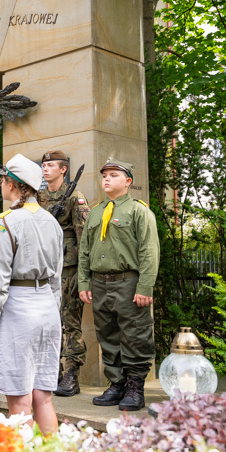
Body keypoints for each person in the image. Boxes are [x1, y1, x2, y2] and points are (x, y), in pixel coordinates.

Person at [0, 155, 63, 436]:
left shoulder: (7, 221)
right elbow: (58, 277)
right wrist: (54, 310)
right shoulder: (51, 221)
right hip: (48, 309)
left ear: (14, 185)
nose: (0, 185)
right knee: (43, 396)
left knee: (19, 400)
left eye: (2, 180)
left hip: (19, 308)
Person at [78, 158, 160, 411]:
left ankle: (136, 386)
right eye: (104, 175)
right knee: (108, 336)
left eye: (113, 175)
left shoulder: (139, 211)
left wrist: (145, 287)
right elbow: (84, 251)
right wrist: (84, 281)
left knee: (135, 334)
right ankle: (117, 384)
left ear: (128, 181)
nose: (107, 179)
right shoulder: (95, 212)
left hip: (128, 283)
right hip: (100, 283)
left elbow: (149, 250)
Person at [38, 150, 90, 397]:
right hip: (44, 268)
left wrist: (83, 275)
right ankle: (52, 372)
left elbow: (84, 238)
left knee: (69, 322)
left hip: (68, 269)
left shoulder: (75, 197)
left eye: (50, 165)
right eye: (44, 165)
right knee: (47, 323)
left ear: (63, 169)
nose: (45, 169)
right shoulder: (38, 197)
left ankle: (70, 375)